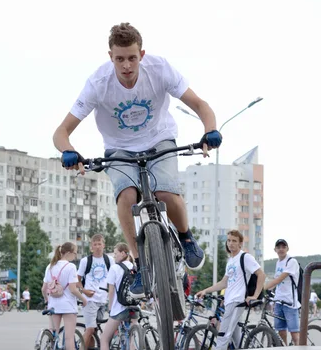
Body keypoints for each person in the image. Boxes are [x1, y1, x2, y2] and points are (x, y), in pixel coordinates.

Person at [54, 22, 222, 297]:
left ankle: (186, 237)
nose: (127, 66)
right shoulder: (98, 83)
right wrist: (68, 151)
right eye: (119, 59)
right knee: (127, 196)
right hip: (119, 149)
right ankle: (141, 264)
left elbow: (201, 105)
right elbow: (61, 132)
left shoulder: (159, 70)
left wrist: (210, 130)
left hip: (159, 139)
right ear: (111, 57)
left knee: (165, 191)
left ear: (141, 55)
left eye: (132, 58)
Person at [195, 230, 265, 350]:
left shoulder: (245, 257)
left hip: (237, 300)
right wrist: (206, 291)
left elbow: (261, 275)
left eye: (234, 241)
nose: (230, 243)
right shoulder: (231, 261)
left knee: (223, 335)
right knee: (235, 339)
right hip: (229, 301)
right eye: (228, 240)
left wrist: (254, 295)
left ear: (240, 243)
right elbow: (224, 283)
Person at [42, 242, 87, 350]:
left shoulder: (50, 266)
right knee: (69, 337)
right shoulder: (71, 266)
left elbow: (44, 289)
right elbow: (73, 289)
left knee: (53, 335)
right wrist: (83, 299)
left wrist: (47, 300)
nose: (76, 255)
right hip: (68, 305)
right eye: (75, 253)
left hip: (53, 305)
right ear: (68, 253)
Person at [77, 234, 114, 350]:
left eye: (100, 244)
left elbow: (113, 279)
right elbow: (77, 279)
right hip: (90, 300)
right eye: (95, 244)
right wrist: (84, 291)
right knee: (90, 329)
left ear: (104, 245)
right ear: (91, 247)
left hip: (102, 300)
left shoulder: (109, 260)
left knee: (95, 331)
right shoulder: (86, 261)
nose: (98, 247)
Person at [99, 243, 139, 350]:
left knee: (104, 339)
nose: (114, 256)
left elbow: (111, 291)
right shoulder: (134, 267)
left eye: (116, 253)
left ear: (123, 253)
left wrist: (110, 307)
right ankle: (132, 343)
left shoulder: (115, 268)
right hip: (133, 307)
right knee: (133, 323)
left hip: (119, 309)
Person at [265, 239, 301, 346]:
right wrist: (268, 291)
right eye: (278, 247)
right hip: (279, 301)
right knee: (281, 332)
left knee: (294, 334)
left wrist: (262, 289)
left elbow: (279, 279)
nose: (281, 249)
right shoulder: (278, 262)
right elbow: (276, 282)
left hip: (290, 302)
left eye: (283, 247)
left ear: (287, 248)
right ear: (275, 249)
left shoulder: (291, 261)